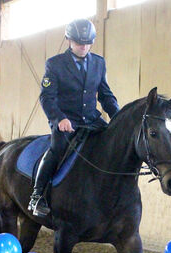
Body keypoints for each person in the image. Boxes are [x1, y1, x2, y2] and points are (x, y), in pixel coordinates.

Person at [28, 18, 120, 217]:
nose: (84, 47)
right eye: (79, 43)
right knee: (57, 149)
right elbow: (47, 97)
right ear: (69, 40)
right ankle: (37, 196)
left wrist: (117, 117)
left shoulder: (99, 63)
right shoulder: (55, 64)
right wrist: (59, 118)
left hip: (92, 120)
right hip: (66, 122)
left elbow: (105, 95)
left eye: (88, 43)